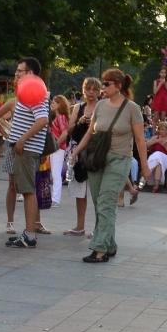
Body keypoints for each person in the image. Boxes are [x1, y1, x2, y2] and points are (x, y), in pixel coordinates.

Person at [70, 68, 146, 263]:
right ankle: (110, 245)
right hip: (97, 158)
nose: (103, 87)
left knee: (106, 202)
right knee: (99, 203)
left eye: (107, 84)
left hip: (120, 159)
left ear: (118, 86)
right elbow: (90, 133)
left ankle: (100, 249)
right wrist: (75, 152)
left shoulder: (132, 108)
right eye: (103, 83)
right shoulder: (100, 105)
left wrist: (145, 167)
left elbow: (140, 140)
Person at [0, 58, 48, 249]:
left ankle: (30, 235)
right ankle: (28, 233)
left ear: (30, 73)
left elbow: (42, 119)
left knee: (28, 191)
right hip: (23, 148)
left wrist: (22, 139)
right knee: (26, 191)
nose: (16, 74)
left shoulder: (34, 93)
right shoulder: (29, 93)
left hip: (26, 149)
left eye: (20, 71)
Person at [63, 78, 99, 237]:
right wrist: (79, 121)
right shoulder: (78, 107)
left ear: (99, 92)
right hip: (78, 152)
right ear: (84, 91)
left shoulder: (102, 107)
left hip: (95, 152)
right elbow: (69, 130)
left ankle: (98, 227)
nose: (91, 92)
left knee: (97, 192)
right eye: (88, 89)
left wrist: (94, 124)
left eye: (94, 89)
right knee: (80, 191)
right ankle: (80, 225)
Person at [49, 94, 71, 208]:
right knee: (55, 174)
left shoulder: (61, 118)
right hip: (57, 148)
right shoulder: (59, 117)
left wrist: (56, 145)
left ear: (59, 104)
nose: (51, 104)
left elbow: (65, 132)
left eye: (54, 102)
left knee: (56, 174)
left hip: (58, 148)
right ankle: (54, 198)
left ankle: (55, 199)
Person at [143, 120, 167, 192]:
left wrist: (166, 146)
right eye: (159, 129)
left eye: (163, 129)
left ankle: (144, 178)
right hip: (157, 160)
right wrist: (156, 141)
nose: (161, 131)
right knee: (159, 163)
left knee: (158, 154)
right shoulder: (156, 138)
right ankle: (156, 186)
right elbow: (145, 146)